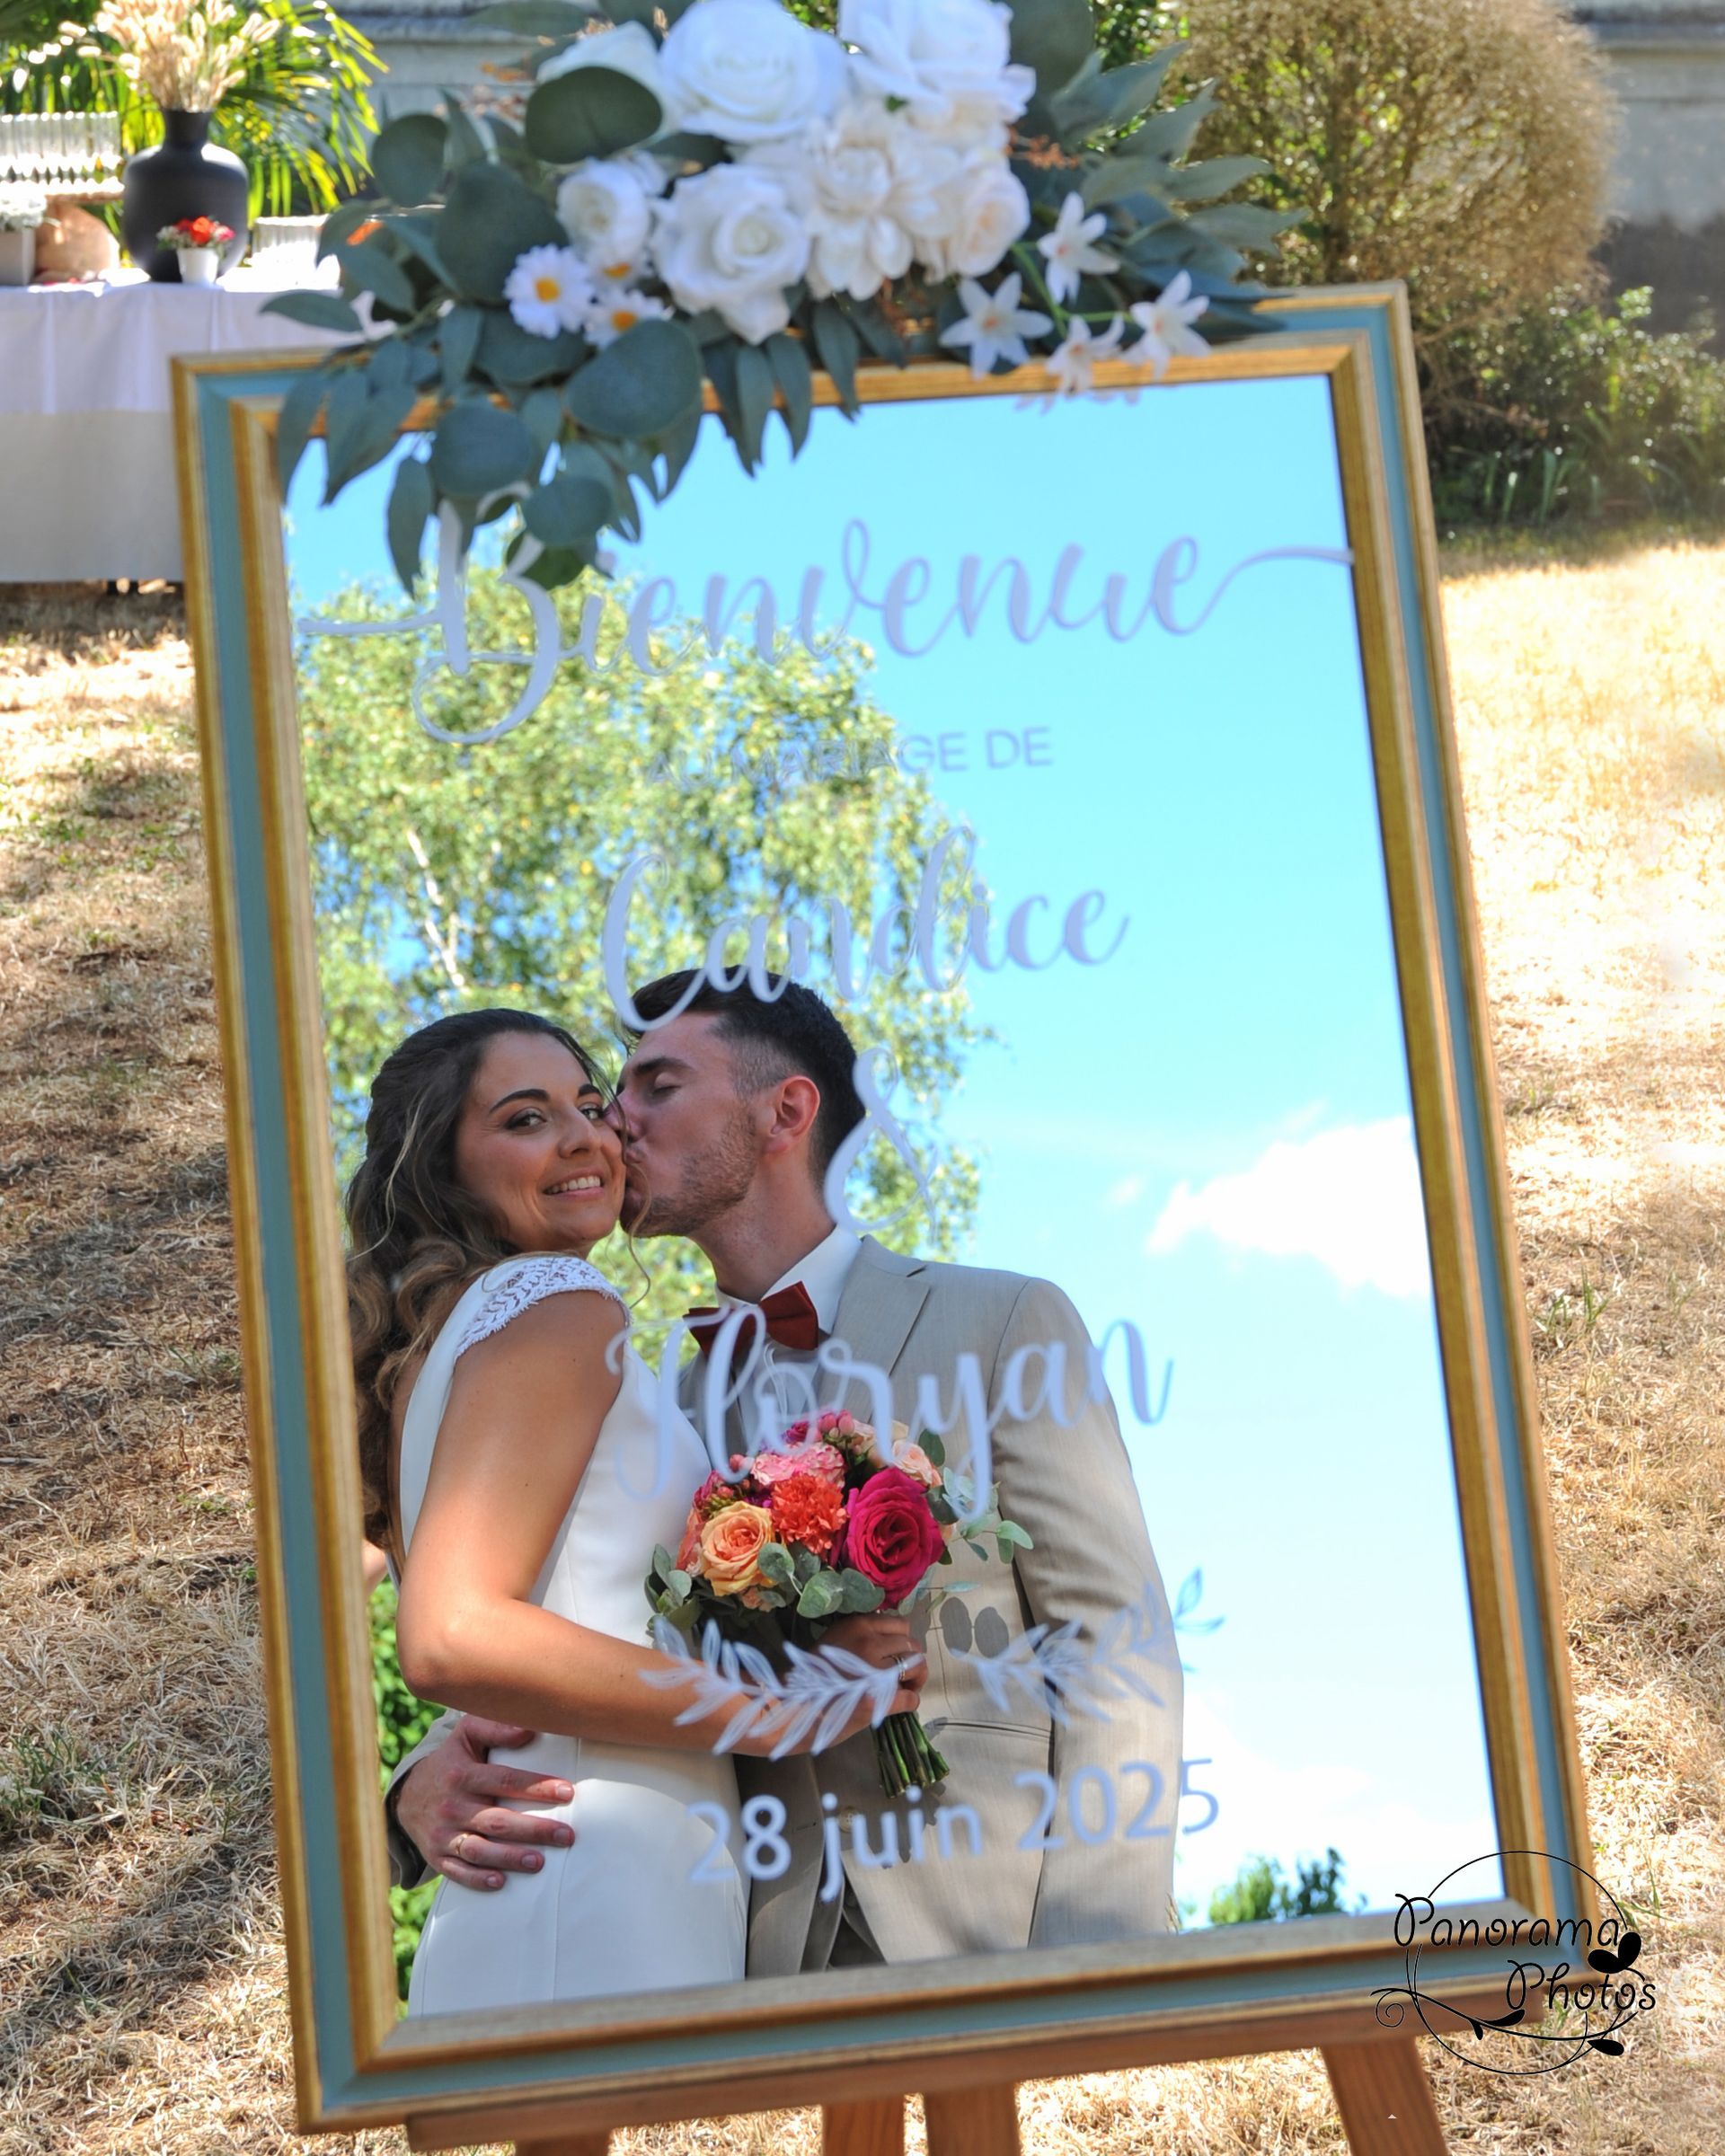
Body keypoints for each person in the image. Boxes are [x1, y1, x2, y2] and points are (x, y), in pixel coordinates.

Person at [392, 976, 1184, 1975]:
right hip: (748, 1948)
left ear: (786, 1111)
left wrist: (1099, 1955)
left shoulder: (1002, 1323)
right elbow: (563, 1620)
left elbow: (1114, 1642)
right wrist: (415, 1786)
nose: (614, 1125)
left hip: (991, 1920)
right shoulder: (642, 1402)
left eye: (654, 1087)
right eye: (609, 1098)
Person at [349, 1005, 923, 2014]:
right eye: (525, 1120)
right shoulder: (561, 1305)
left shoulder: (467, 1336)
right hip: (592, 1868)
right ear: (446, 1167)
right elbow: (450, 1631)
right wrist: (780, 1714)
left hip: (591, 1855)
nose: (585, 1135)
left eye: (589, 1103)